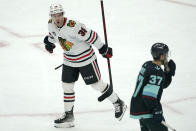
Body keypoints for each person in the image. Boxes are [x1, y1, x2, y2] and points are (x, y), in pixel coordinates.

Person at [43, 3, 127, 128]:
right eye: (54, 16)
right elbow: (53, 35)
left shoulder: (74, 26)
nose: (57, 18)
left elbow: (92, 36)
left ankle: (118, 102)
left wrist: (103, 48)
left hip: (85, 59)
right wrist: (49, 43)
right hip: (69, 60)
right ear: (51, 16)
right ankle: (68, 115)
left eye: (59, 15)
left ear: (63, 14)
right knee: (67, 86)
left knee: (96, 85)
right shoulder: (50, 24)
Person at [130, 43, 176, 131]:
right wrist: (156, 110)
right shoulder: (156, 72)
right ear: (161, 56)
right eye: (166, 54)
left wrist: (168, 72)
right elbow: (148, 95)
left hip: (141, 109)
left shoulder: (147, 65)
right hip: (148, 110)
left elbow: (160, 85)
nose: (167, 57)